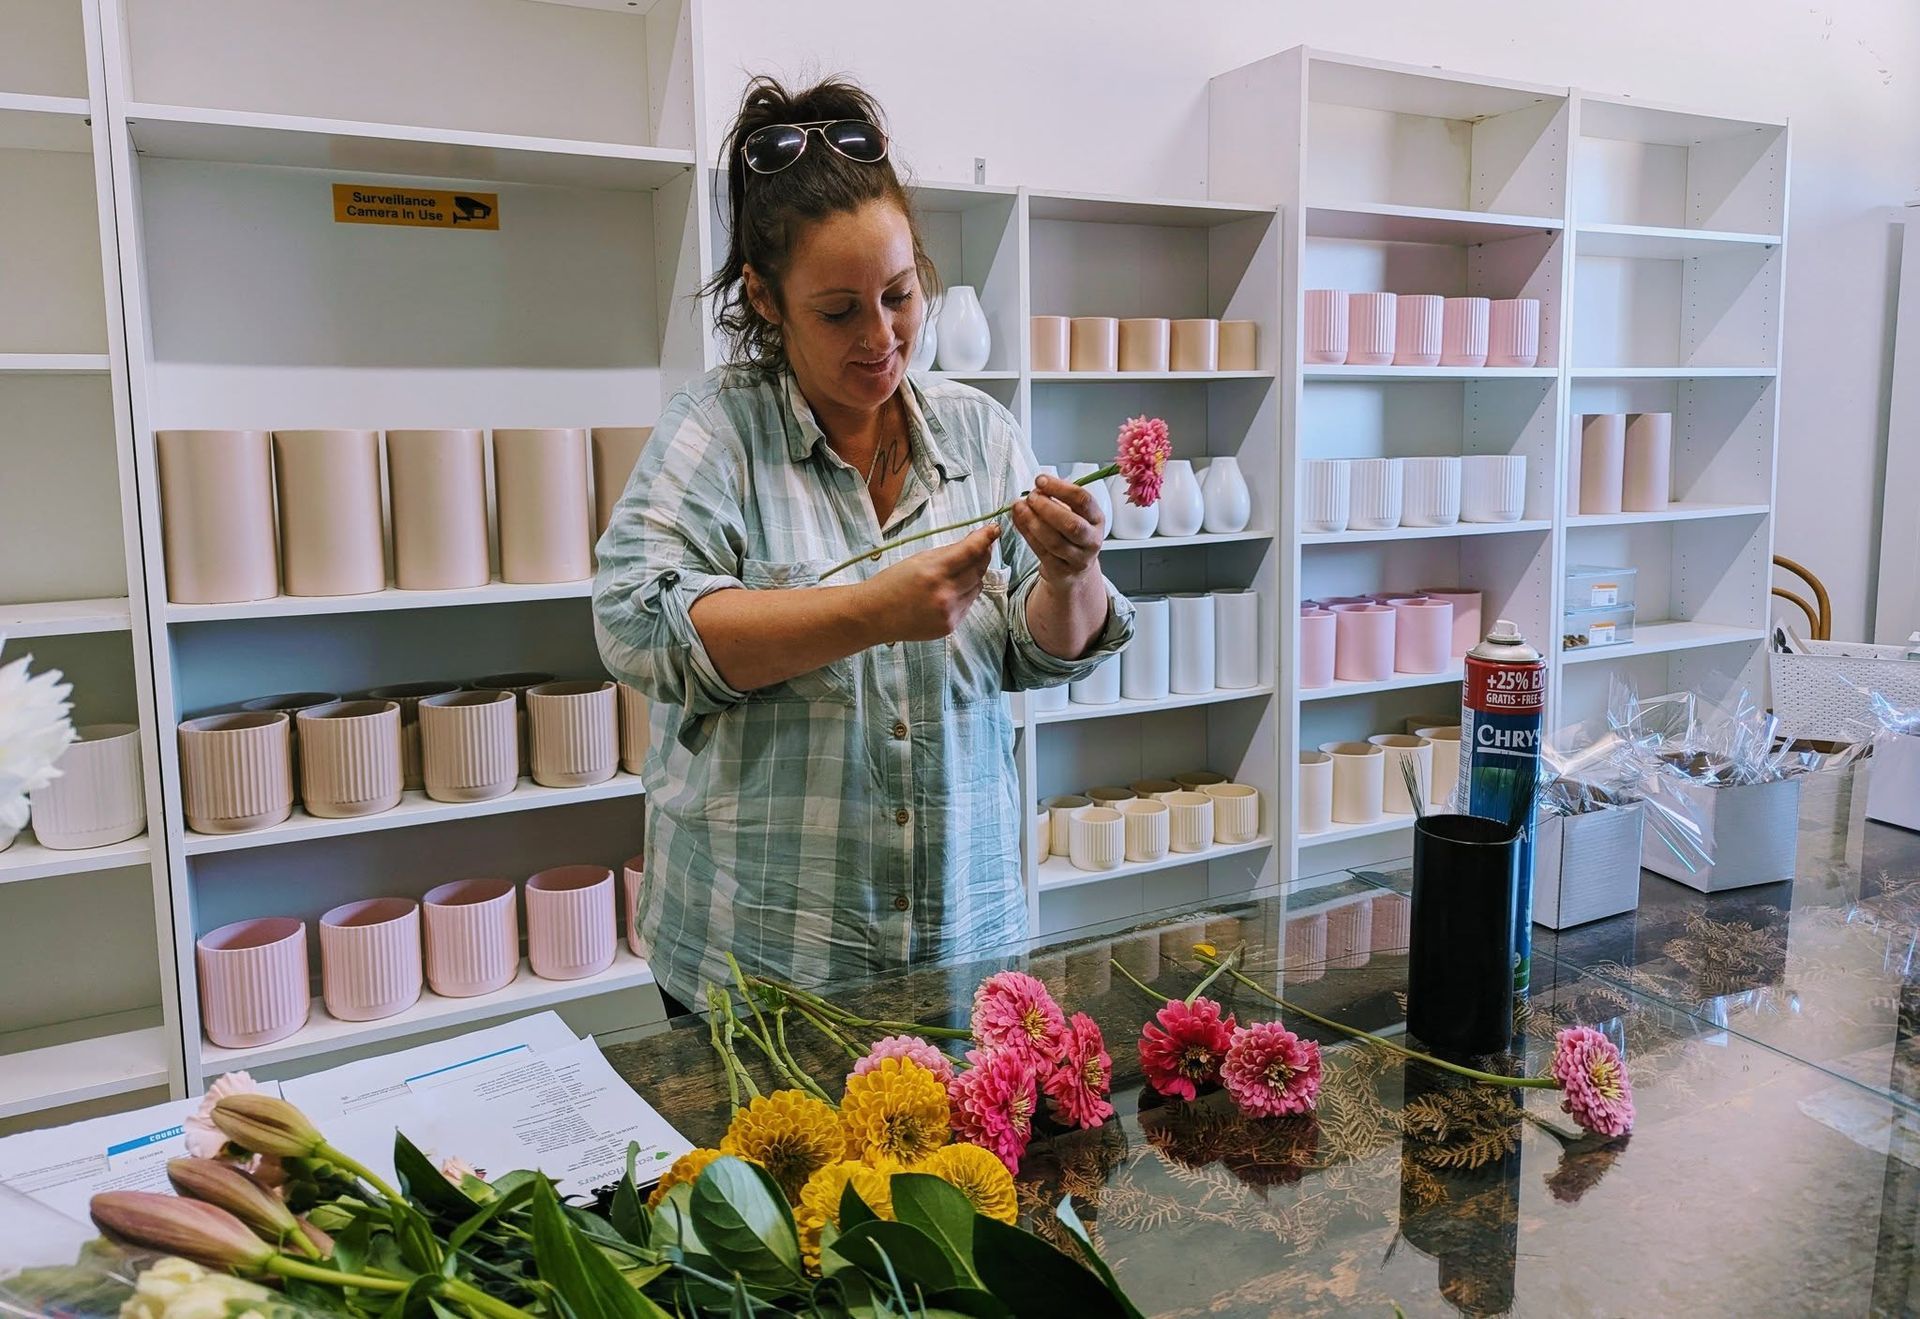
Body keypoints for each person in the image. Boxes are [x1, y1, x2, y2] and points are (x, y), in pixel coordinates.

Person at [593, 75, 1133, 1009]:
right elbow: (635, 626)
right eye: (839, 311)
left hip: (960, 950)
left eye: (900, 294)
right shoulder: (719, 433)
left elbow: (1039, 652)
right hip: (764, 971)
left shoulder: (978, 433)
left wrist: (1071, 571)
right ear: (765, 299)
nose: (882, 338)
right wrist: (870, 613)